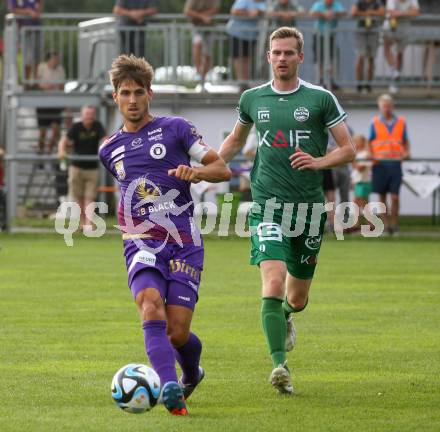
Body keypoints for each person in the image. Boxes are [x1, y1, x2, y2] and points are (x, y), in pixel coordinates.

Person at [219, 27, 355, 395]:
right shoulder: (252, 98)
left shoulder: (320, 99)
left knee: (297, 298)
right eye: (275, 52)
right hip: (267, 206)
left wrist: (318, 161)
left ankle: (286, 318)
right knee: (274, 281)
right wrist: (208, 167)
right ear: (267, 57)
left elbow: (349, 149)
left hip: (309, 210)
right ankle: (279, 365)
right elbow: (235, 140)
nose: (281, 58)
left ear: (300, 57)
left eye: (288, 53)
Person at [99, 54, 231, 415]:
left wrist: (197, 174)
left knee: (176, 332)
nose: (132, 100)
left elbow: (222, 169)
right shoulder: (108, 149)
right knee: (149, 305)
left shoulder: (176, 128)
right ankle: (168, 387)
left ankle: (192, 372)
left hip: (184, 241)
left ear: (150, 94)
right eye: (125, 93)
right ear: (115, 96)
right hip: (139, 242)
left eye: (138, 92)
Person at [58, 105, 107, 230]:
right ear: (82, 115)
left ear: (94, 115)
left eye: (91, 114)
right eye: (87, 114)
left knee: (89, 197)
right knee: (78, 197)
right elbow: (64, 140)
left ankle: (88, 225)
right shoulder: (76, 127)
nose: (89, 117)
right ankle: (82, 223)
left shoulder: (98, 126)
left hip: (92, 168)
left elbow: (105, 139)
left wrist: (106, 150)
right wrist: (61, 151)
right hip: (76, 167)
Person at [369, 93, 410, 235]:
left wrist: (407, 153)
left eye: (388, 106)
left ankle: (394, 223)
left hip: (395, 163)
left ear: (392, 106)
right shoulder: (374, 122)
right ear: (379, 107)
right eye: (383, 106)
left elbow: (405, 141)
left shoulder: (401, 122)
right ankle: (386, 225)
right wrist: (371, 155)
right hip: (379, 163)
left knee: (395, 196)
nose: (386, 108)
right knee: (381, 196)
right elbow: (370, 142)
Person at [226, 0, 267, 82]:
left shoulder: (265, 2)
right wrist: (249, 13)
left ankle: (245, 80)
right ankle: (241, 81)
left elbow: (267, 13)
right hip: (237, 32)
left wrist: (259, 12)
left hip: (251, 35)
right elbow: (234, 11)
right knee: (238, 58)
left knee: (247, 58)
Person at [383, 0, 420, 94]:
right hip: (390, 28)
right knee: (387, 49)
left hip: (404, 30)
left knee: (399, 53)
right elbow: (391, 13)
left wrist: (400, 13)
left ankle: (395, 80)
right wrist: (408, 13)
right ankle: (394, 72)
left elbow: (416, 12)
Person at [310, 0, 346, 89]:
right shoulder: (319, 4)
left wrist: (333, 13)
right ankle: (321, 80)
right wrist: (323, 14)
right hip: (319, 35)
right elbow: (312, 13)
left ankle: (331, 80)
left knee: (333, 59)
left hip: (331, 36)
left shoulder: (336, 4)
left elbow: (344, 13)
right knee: (319, 58)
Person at [184, 0, 221, 86]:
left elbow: (215, 9)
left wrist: (201, 15)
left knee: (208, 55)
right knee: (198, 44)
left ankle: (202, 78)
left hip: (210, 28)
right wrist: (202, 17)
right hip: (196, 26)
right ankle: (198, 72)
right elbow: (187, 11)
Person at [351, 0, 385, 93]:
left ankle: (368, 84)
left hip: (373, 33)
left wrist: (371, 12)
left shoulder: (377, 3)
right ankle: (359, 84)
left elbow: (382, 12)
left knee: (371, 59)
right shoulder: (359, 2)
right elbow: (353, 12)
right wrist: (366, 13)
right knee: (360, 57)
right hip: (361, 33)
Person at [36, 51, 66, 155]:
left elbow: (62, 86)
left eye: (58, 59)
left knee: (56, 129)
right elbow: (38, 84)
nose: (57, 61)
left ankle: (48, 151)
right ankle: (40, 152)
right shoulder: (42, 67)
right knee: (42, 131)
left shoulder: (60, 69)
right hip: (43, 102)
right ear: (50, 59)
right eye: (55, 58)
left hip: (56, 102)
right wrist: (48, 86)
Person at [7, 0, 43, 83]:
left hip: (36, 29)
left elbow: (40, 2)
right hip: (23, 31)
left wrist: (38, 12)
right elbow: (13, 9)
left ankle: (35, 82)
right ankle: (25, 83)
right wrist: (28, 11)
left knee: (37, 58)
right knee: (27, 59)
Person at [350, 134, 372, 231]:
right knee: (363, 203)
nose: (355, 144)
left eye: (357, 141)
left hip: (363, 181)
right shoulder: (357, 154)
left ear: (362, 142)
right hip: (358, 181)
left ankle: (357, 224)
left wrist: (353, 162)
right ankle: (367, 223)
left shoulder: (366, 154)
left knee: (359, 202)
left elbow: (360, 168)